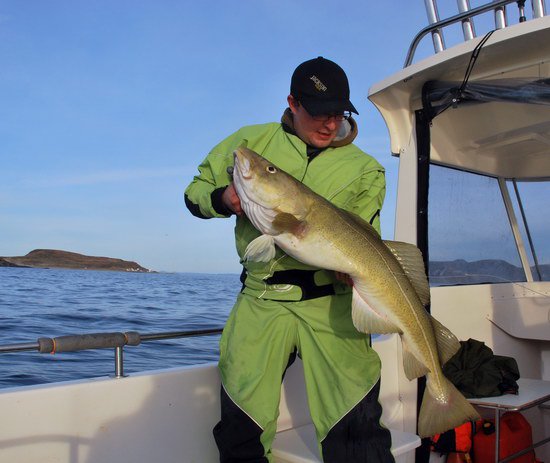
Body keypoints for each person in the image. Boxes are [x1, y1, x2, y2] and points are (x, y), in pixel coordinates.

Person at [185, 57, 393, 463]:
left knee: (357, 430)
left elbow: (369, 235)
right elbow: (195, 192)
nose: (329, 124)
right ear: (292, 103)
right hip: (261, 299)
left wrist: (352, 272)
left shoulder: (367, 169)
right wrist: (224, 200)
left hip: (331, 303)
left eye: (338, 113)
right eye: (318, 112)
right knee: (240, 428)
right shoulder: (250, 143)